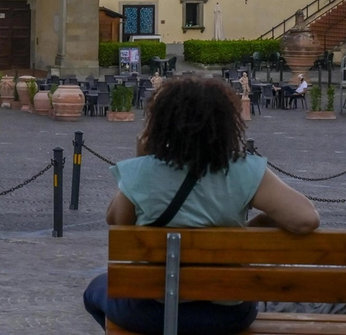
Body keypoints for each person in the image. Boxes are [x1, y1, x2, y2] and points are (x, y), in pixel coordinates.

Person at [83, 76, 320, 335]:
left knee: (95, 290)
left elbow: (117, 221)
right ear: (227, 124)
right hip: (227, 314)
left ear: (163, 124)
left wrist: (144, 162)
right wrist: (253, 228)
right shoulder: (246, 170)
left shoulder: (144, 169)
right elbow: (305, 219)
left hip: (152, 312)